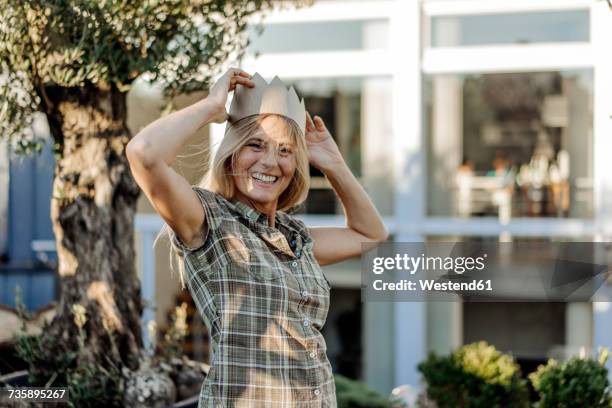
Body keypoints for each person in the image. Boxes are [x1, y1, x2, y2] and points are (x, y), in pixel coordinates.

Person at [126, 68, 389, 407]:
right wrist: (211, 107)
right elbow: (144, 153)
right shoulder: (209, 220)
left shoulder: (294, 236)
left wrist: (334, 163)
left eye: (284, 150)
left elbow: (371, 233)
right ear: (232, 153)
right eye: (255, 145)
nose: (270, 161)